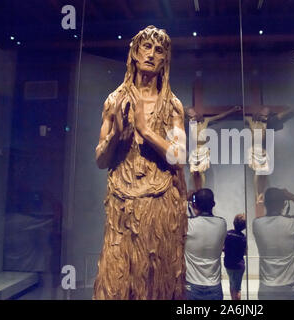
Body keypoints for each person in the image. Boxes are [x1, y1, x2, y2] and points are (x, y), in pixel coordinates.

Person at [93, 26, 187, 300]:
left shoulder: (172, 105)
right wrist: (116, 136)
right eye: (146, 47)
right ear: (134, 53)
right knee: (116, 282)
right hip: (122, 207)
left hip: (159, 205)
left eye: (159, 50)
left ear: (164, 60)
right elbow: (100, 160)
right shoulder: (115, 101)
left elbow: (179, 158)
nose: (151, 54)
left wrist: (146, 130)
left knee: (157, 284)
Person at [253, 187, 294, 300]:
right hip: (289, 286)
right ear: (283, 204)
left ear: (266, 204)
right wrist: (290, 196)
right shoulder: (291, 223)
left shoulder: (257, 224)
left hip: (266, 286)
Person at [185, 188, 227, 300]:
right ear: (213, 204)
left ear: (195, 204)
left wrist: (187, 202)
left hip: (191, 285)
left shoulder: (188, 225)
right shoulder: (221, 224)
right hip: (214, 286)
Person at [187, 106, 241, 190]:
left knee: (201, 171)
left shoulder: (205, 121)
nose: (192, 116)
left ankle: (201, 190)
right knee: (193, 172)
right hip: (194, 151)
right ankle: (196, 190)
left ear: (196, 113)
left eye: (193, 114)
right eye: (190, 115)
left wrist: (232, 110)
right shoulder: (189, 124)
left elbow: (219, 117)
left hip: (203, 150)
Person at [223, 213, 247, 300]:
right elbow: (245, 252)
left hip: (228, 264)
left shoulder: (228, 234)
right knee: (237, 289)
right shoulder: (243, 238)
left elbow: (223, 247)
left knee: (231, 285)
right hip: (238, 266)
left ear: (234, 222)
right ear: (244, 226)